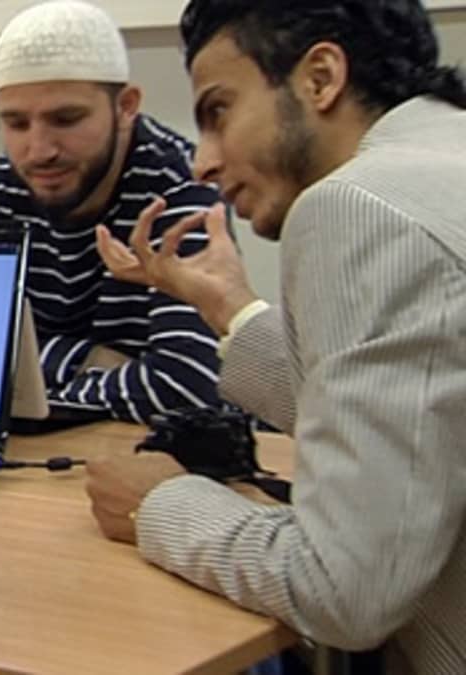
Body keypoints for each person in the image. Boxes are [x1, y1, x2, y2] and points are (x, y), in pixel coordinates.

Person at [85, 1, 466, 671]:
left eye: (218, 111)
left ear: (320, 77)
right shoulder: (442, 155)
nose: (202, 162)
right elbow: (415, 412)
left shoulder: (360, 204)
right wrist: (230, 307)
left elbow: (344, 590)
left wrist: (158, 504)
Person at [0, 0, 226, 424]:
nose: (39, 150)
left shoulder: (181, 185)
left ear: (126, 106)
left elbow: (186, 387)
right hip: (43, 448)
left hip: (144, 451)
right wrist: (91, 360)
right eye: (16, 123)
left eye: (66, 119)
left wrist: (32, 386)